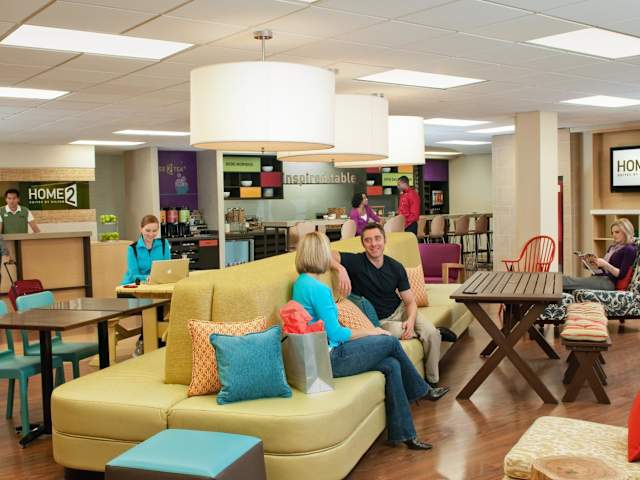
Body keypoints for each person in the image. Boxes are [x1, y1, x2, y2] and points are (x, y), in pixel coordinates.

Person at [292, 231, 448, 451]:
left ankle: (405, 434)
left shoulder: (301, 283)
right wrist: (371, 331)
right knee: (390, 342)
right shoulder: (319, 290)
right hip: (331, 359)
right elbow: (337, 334)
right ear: (320, 254)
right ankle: (421, 390)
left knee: (392, 365)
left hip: (323, 356)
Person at [331, 223, 451, 387]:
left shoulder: (395, 267)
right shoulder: (355, 261)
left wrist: (411, 320)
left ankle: (432, 381)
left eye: (377, 238)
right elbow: (326, 254)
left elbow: (410, 302)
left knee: (431, 334)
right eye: (368, 240)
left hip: (400, 310)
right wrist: (340, 269)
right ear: (363, 243)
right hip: (381, 322)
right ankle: (434, 333)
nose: (373, 244)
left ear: (384, 240)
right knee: (405, 333)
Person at [121, 214, 171, 357]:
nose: (151, 234)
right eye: (147, 230)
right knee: (153, 305)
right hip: (132, 290)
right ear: (141, 229)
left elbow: (168, 268)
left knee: (159, 304)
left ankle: (149, 342)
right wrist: (148, 278)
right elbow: (133, 275)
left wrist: (161, 276)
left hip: (156, 288)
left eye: (154, 231)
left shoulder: (164, 244)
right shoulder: (133, 249)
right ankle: (149, 342)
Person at [564, 218, 637, 292]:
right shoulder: (612, 247)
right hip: (601, 277)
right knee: (570, 282)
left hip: (609, 282)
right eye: (612, 233)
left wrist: (606, 264)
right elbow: (603, 269)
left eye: (617, 232)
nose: (614, 235)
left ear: (626, 232)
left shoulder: (629, 249)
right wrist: (590, 264)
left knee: (568, 280)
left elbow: (621, 274)